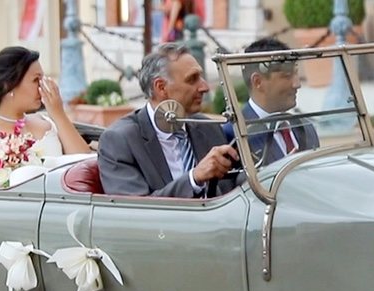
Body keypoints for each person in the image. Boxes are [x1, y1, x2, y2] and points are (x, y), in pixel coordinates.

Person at [97, 43, 239, 198]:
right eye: (193, 79)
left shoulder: (207, 127)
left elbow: (234, 185)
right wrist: (194, 178)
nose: (205, 87)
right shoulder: (119, 140)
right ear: (161, 87)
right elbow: (135, 209)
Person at [0, 46, 92, 188]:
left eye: (43, 80)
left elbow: (83, 160)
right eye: (35, 80)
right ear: (9, 85)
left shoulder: (45, 121)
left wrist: (59, 114)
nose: (42, 87)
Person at [223, 37, 319, 166]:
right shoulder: (233, 135)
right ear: (258, 82)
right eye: (287, 76)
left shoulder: (306, 129)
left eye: (296, 74)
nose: (297, 84)